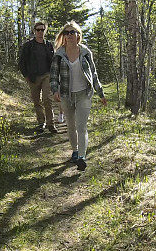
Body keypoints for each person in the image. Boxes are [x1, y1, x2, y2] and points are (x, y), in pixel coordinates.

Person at [50, 21, 107, 171]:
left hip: (84, 94)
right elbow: (54, 75)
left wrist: (100, 93)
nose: (69, 35)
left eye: (72, 32)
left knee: (81, 126)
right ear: (63, 36)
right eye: (66, 33)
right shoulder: (59, 54)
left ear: (78, 35)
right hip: (66, 95)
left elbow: (93, 73)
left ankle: (81, 157)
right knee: (71, 125)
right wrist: (55, 90)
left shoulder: (86, 53)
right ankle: (75, 151)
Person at [18, 21, 57, 134]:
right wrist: (26, 75)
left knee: (47, 99)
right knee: (36, 101)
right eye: (38, 30)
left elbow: (53, 61)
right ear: (34, 31)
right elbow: (21, 62)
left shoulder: (48, 45)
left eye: (42, 30)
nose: (40, 32)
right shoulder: (28, 46)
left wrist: (54, 74)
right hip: (33, 77)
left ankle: (51, 124)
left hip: (46, 75)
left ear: (45, 31)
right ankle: (41, 122)